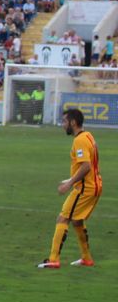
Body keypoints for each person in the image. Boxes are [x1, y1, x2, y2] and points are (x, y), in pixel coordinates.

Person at [38, 108, 102, 269]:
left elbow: (86, 166)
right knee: (77, 221)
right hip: (94, 186)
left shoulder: (79, 140)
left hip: (85, 188)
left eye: (65, 121)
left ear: (73, 122)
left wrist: (69, 183)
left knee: (63, 218)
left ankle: (54, 259)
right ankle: (86, 258)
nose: (63, 125)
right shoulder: (88, 136)